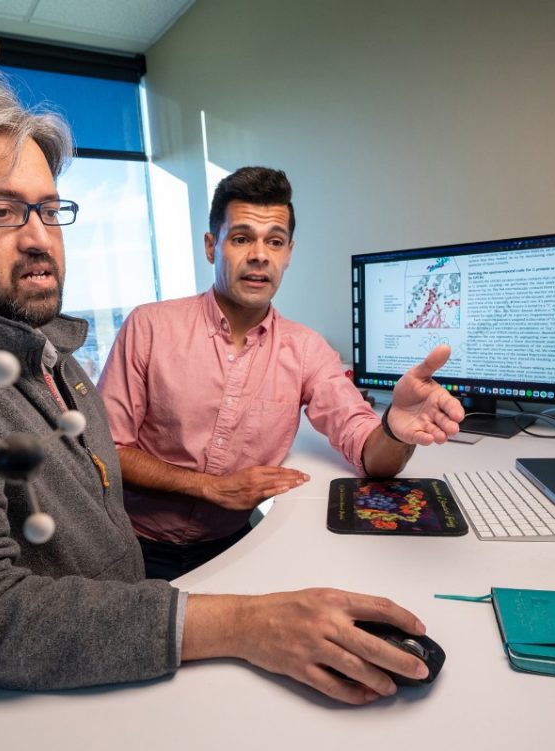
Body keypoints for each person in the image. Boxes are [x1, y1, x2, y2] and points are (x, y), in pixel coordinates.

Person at [0, 70, 434, 705]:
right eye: (3, 210)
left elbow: (357, 436)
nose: (41, 238)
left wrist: (394, 432)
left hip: (135, 640)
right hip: (34, 701)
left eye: (48, 209)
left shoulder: (50, 357)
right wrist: (243, 621)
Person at [98, 167, 466, 580]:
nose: (259, 255)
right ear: (210, 245)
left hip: (235, 548)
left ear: (288, 252)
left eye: (274, 241)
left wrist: (394, 429)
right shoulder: (149, 327)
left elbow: (367, 453)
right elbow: (106, 451)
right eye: (241, 239)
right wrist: (209, 487)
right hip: (131, 544)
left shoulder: (307, 349)